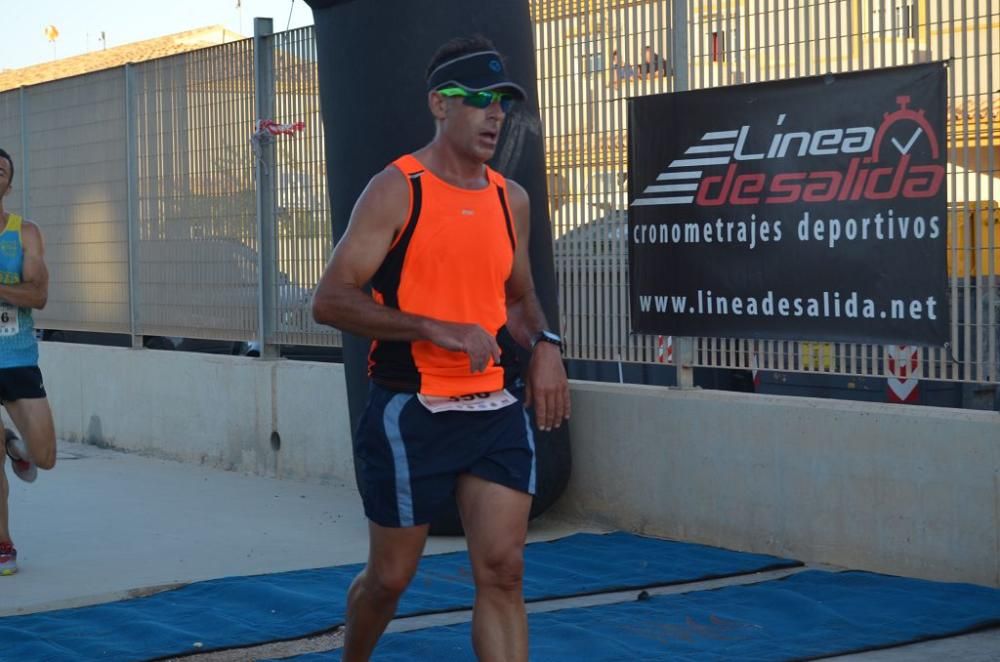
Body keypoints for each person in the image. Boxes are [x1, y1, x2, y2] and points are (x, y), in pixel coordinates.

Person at [312, 36, 570, 661]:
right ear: (438, 104)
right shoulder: (398, 189)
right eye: (478, 100)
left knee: (504, 571)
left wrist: (545, 344)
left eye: (502, 102)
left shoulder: (513, 199)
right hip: (411, 409)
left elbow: (519, 297)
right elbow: (331, 300)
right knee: (391, 579)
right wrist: (433, 326)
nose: (495, 115)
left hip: (494, 410)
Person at [0, 147, 57, 577]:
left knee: (46, 456)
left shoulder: (25, 233)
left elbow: (38, 296)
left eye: (0, 171)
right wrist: (13, 284)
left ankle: (10, 442)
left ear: (9, 183)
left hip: (18, 357)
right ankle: (4, 545)